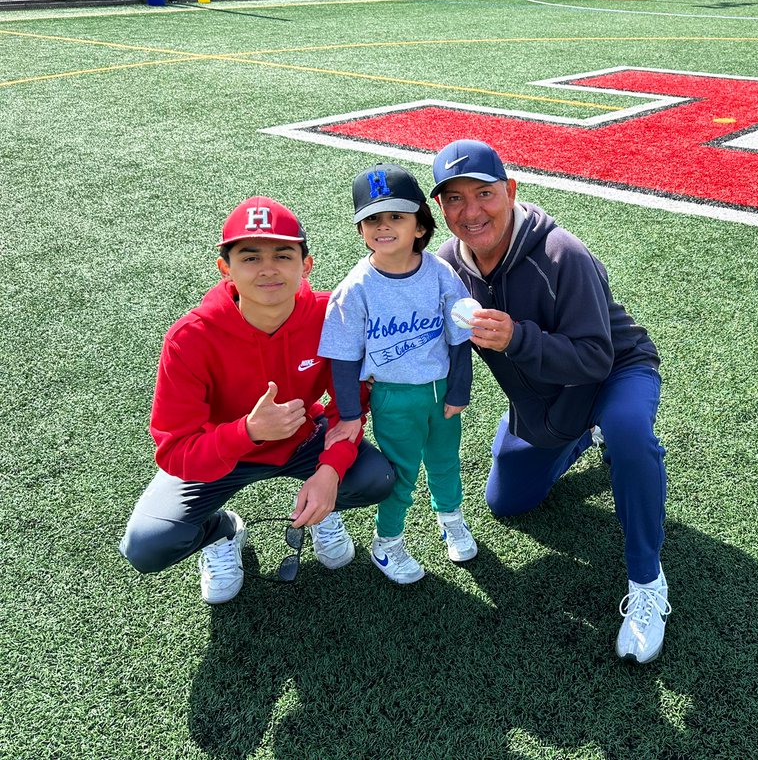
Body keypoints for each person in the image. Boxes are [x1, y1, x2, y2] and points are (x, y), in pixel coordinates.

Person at [429, 140, 670, 664]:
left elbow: (594, 358)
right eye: (454, 200)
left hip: (614, 372)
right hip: (544, 400)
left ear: (511, 191)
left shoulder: (563, 254)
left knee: (629, 433)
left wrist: (517, 338)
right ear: (440, 209)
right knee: (508, 503)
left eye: (485, 194)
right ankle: (584, 435)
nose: (472, 212)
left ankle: (648, 581)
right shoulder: (446, 267)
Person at [119, 197, 395, 604]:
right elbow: (174, 449)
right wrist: (246, 432)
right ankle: (222, 532)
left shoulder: (330, 316)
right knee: (147, 545)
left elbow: (347, 408)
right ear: (225, 268)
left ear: (306, 264)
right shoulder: (190, 338)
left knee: (377, 478)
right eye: (250, 257)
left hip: (303, 440)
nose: (268, 269)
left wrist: (330, 472)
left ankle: (324, 509)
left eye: (283, 255)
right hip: (220, 455)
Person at [319, 165, 477, 585]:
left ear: (420, 225)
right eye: (372, 219)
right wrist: (350, 415)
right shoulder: (354, 288)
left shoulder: (442, 273)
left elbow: (459, 337)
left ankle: (451, 518)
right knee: (402, 473)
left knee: (445, 463)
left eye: (396, 217)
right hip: (393, 397)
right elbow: (344, 360)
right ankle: (386, 543)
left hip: (440, 390)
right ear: (360, 229)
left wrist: (459, 388)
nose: (383, 227)